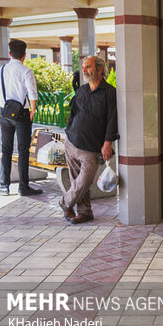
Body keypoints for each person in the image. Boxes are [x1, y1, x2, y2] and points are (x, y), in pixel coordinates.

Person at [58, 56, 118, 224]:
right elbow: (73, 114)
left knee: (84, 181)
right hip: (72, 143)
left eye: (88, 67)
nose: (83, 70)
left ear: (99, 69)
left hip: (91, 148)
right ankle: (85, 212)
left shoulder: (110, 92)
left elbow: (112, 119)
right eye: (83, 67)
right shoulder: (82, 90)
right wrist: (68, 133)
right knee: (76, 181)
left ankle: (65, 203)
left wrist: (108, 143)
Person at [0, 39, 41, 196]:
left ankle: (4, 186)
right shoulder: (26, 71)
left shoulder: (1, 71)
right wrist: (32, 110)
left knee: (6, 150)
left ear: (10, 53)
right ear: (24, 55)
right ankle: (23, 187)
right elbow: (32, 93)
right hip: (23, 114)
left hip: (5, 114)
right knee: (23, 150)